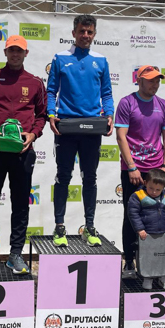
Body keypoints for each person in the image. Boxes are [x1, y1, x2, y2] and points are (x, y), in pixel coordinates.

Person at [0, 35, 47, 276]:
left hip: (22, 153)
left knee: (21, 205)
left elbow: (42, 115)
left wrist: (33, 134)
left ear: (26, 54)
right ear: (5, 52)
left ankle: (15, 254)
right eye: (11, 50)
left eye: (19, 51)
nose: (15, 54)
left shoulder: (35, 82)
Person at [47, 14, 114, 247]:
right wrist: (51, 114)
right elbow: (51, 90)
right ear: (73, 33)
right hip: (66, 125)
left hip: (92, 127)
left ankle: (90, 226)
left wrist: (109, 114)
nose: (85, 35)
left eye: (90, 32)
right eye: (82, 31)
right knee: (63, 176)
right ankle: (59, 227)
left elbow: (106, 92)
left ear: (94, 34)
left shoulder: (101, 60)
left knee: (90, 178)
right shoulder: (60, 58)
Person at [115, 65, 165, 279]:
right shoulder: (127, 103)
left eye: (157, 80)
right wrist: (132, 167)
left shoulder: (162, 105)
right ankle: (130, 262)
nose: (154, 84)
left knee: (158, 216)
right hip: (134, 170)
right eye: (150, 80)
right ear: (139, 80)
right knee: (132, 216)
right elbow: (121, 137)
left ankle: (156, 262)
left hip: (156, 170)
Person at [127, 168, 165, 290]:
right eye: (151, 188)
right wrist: (140, 229)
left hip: (163, 235)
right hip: (147, 234)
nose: (154, 192)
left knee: (164, 256)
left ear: (163, 188)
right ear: (145, 183)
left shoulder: (164, 198)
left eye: (158, 190)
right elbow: (133, 214)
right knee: (148, 257)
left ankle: (164, 277)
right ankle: (148, 278)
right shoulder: (137, 196)